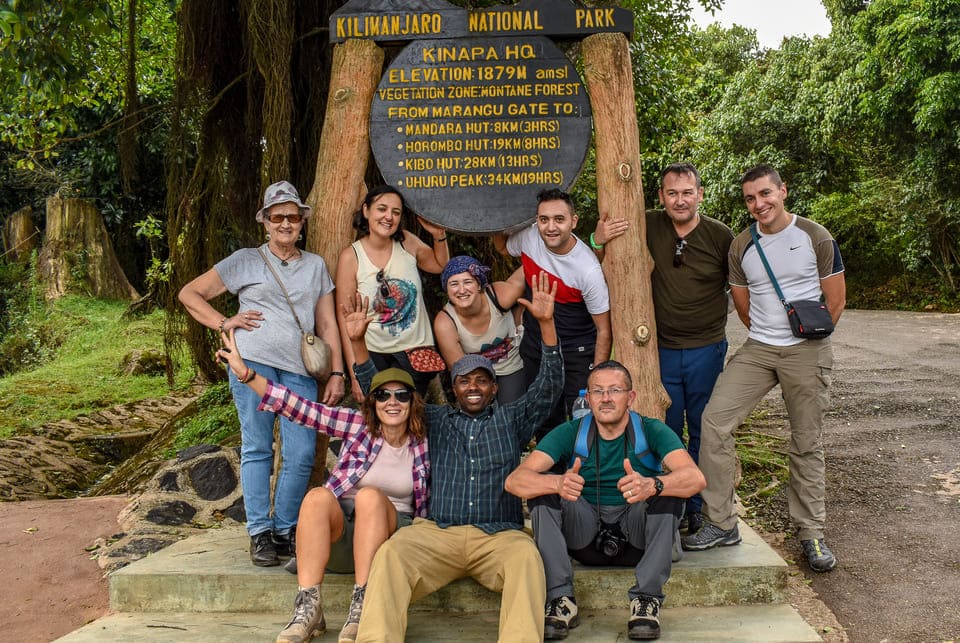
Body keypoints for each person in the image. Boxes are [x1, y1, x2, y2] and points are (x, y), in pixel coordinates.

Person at [352, 271, 563, 643]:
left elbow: (549, 385)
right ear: (454, 389)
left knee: (527, 559)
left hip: (499, 536)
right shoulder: (433, 420)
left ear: (494, 387)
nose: (473, 387)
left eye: (481, 380)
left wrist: (546, 325)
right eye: (464, 381)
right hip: (439, 533)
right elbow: (382, 393)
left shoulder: (512, 419)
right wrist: (357, 343)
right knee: (391, 554)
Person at [682, 164, 846, 573]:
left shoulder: (814, 236)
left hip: (806, 350)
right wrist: (769, 336)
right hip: (760, 349)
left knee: (806, 440)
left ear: (782, 191)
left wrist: (807, 343)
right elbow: (743, 306)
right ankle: (721, 522)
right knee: (714, 422)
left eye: (765, 194)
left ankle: (811, 533)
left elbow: (836, 301)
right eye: (750, 199)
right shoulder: (742, 245)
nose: (759, 204)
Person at [216, 331, 428, 643]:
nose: (392, 402)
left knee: (369, 496)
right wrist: (248, 375)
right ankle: (308, 607)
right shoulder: (357, 425)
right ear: (373, 403)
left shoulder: (424, 441)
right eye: (383, 395)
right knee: (317, 496)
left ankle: (364, 605)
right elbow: (300, 408)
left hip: (391, 542)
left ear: (413, 402)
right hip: (345, 539)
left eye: (401, 395)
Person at [179, 180, 345, 567]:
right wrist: (225, 322)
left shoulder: (316, 266)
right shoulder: (246, 260)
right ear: (266, 222)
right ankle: (259, 532)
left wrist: (337, 371)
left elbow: (326, 322)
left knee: (301, 452)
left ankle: (285, 528)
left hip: (300, 370)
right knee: (257, 448)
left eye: (293, 217)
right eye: (277, 217)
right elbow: (189, 293)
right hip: (252, 362)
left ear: (302, 222)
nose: (285, 224)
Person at [505, 360, 705, 641]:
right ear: (588, 398)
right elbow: (515, 481)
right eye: (597, 391)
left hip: (638, 537)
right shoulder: (571, 432)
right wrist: (557, 483)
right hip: (585, 535)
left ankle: (646, 600)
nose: (606, 398)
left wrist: (653, 484)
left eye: (615, 390)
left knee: (668, 493)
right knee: (543, 490)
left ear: (630, 397)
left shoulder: (651, 430)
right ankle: (560, 599)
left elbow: (695, 478)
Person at [599, 163, 733, 534]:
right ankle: (670, 507)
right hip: (660, 350)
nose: (680, 200)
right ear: (661, 196)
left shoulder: (719, 235)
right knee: (665, 430)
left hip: (706, 347)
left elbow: (741, 283)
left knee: (704, 429)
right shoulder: (647, 224)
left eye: (687, 192)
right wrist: (597, 239)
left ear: (700, 194)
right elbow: (605, 262)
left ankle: (698, 507)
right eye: (672, 193)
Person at [494, 188, 612, 438]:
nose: (550, 227)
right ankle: (549, 462)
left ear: (573, 221)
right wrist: (496, 216)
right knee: (544, 417)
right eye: (544, 219)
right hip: (536, 345)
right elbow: (503, 247)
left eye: (559, 219)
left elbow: (603, 329)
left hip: (576, 351)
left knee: (584, 420)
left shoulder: (588, 269)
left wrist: (599, 377)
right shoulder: (529, 237)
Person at [336, 185, 449, 399]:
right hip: (372, 355)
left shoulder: (406, 241)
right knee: (377, 414)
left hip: (414, 354)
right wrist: (355, 373)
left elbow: (439, 265)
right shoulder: (351, 256)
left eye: (395, 212)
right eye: (382, 209)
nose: (389, 216)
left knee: (411, 413)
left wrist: (439, 235)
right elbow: (346, 320)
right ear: (366, 210)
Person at [433, 255, 527, 404]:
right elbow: (461, 370)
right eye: (454, 284)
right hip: (475, 376)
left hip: (511, 367)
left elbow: (529, 266)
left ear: (479, 285)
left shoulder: (499, 296)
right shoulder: (445, 322)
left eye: (468, 282)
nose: (461, 290)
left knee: (511, 410)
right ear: (446, 289)